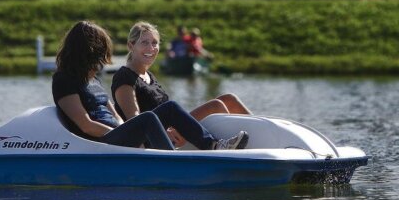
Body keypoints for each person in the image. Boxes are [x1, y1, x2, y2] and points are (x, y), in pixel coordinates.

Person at [53, 20, 247, 151]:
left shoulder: (93, 79)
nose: (101, 62)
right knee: (147, 119)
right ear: (85, 53)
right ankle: (173, 163)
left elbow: (117, 116)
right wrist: (122, 132)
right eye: (98, 55)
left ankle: (213, 146)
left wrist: (128, 131)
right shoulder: (64, 80)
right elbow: (85, 125)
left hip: (119, 134)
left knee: (170, 109)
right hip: (103, 141)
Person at [112, 22, 252, 147]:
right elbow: (135, 120)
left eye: (155, 43)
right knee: (216, 105)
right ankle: (220, 145)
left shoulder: (149, 76)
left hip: (172, 128)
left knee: (229, 99)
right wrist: (163, 132)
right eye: (144, 42)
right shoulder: (125, 75)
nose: (151, 48)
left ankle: (259, 135)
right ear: (131, 45)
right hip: (152, 136)